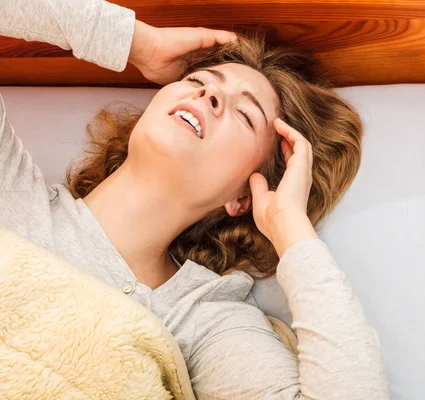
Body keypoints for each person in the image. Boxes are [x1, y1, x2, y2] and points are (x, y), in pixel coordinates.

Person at [0, 0, 391, 398]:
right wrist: (133, 40)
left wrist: (292, 229)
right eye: (198, 80)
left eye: (245, 115)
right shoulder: (13, 192)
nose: (209, 96)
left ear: (244, 195)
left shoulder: (204, 320)